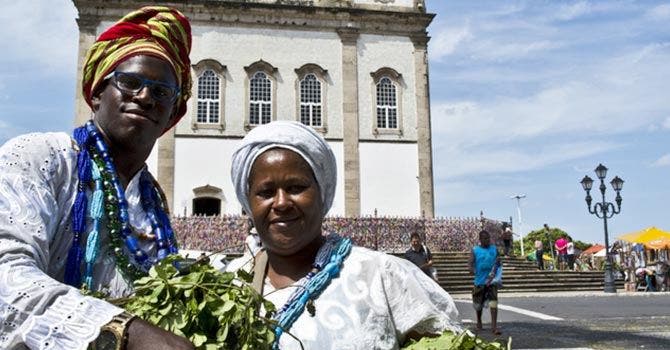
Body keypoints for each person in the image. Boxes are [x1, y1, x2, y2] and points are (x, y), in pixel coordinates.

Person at [0, 7, 195, 349]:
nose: (146, 97)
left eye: (162, 93)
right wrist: (123, 331)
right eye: (130, 83)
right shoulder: (44, 158)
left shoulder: (151, 201)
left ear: (170, 117)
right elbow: (6, 275)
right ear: (95, 94)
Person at [226, 121, 460, 349]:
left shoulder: (382, 276)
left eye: (296, 188)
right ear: (248, 203)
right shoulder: (227, 284)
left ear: (322, 193)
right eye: (265, 192)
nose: (281, 203)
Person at [468, 230, 502, 335]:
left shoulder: (494, 249)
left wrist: (495, 271)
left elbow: (498, 261)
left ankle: (494, 327)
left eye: (488, 238)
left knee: (493, 303)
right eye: (485, 238)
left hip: (492, 281)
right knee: (478, 305)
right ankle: (479, 321)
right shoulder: (475, 250)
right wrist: (473, 271)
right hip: (480, 281)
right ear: (480, 239)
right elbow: (470, 263)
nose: (487, 240)